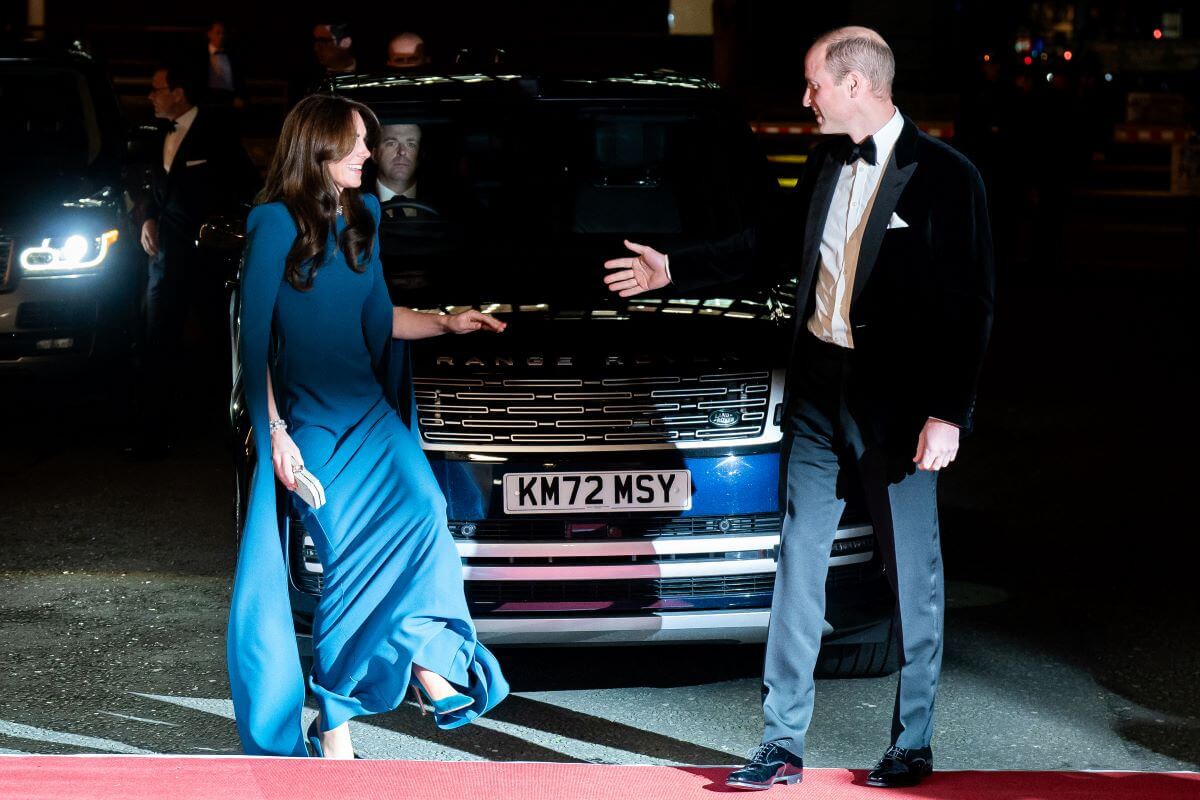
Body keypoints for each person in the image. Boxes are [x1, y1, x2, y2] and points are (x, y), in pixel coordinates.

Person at [603, 26, 994, 790]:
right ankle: (780, 744)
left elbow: (972, 305)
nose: (805, 98)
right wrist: (673, 268)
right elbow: (771, 246)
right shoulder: (824, 159)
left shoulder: (948, 176)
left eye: (814, 84)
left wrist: (948, 413)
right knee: (798, 564)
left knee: (911, 575)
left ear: (857, 84)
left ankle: (911, 742)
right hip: (817, 387)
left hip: (898, 405)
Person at [229, 93, 509, 758]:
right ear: (320, 147)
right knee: (350, 562)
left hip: (372, 418)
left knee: (425, 511)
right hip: (311, 425)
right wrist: (275, 436)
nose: (369, 155)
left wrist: (446, 321)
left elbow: (378, 318)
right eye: (357, 144)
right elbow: (253, 339)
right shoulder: (272, 223)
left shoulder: (367, 216)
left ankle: (425, 666)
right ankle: (337, 721)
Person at [132, 61, 256, 456]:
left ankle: (226, 436)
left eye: (157, 88)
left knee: (218, 346)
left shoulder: (216, 131)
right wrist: (147, 215)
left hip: (207, 259)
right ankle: (153, 435)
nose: (151, 96)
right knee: (156, 342)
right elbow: (148, 183)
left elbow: (244, 185)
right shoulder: (154, 131)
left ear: (179, 92)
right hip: (165, 257)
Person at [372, 122, 424, 216]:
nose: (402, 152)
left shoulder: (443, 199)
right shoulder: (352, 200)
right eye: (391, 143)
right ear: (374, 154)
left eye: (411, 144)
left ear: (420, 155)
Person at [203, 21, 246, 109]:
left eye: (223, 33)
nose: (221, 36)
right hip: (208, 102)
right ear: (209, 34)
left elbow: (239, 80)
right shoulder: (200, 57)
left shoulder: (233, 56)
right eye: (218, 33)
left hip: (231, 102)